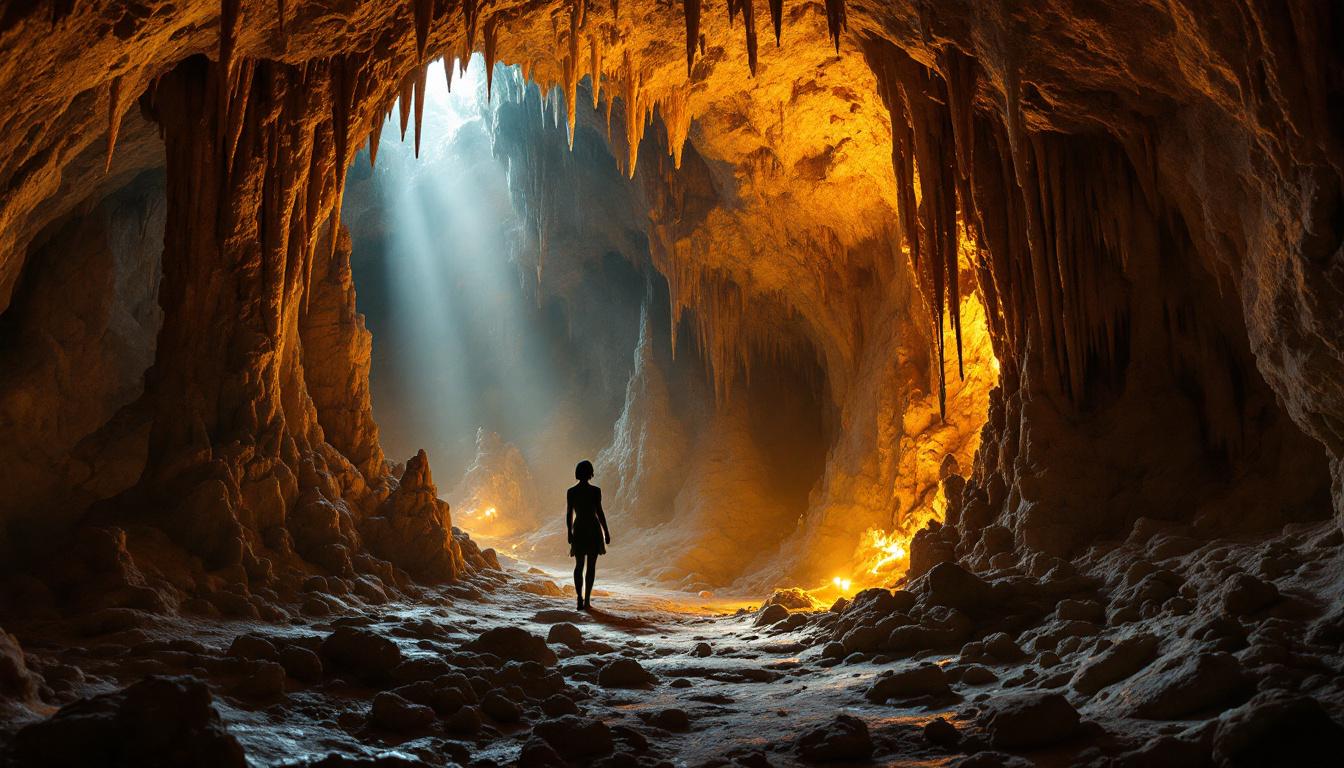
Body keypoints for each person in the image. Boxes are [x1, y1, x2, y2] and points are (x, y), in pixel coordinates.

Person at [566, 460, 610, 610]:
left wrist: (569, 532)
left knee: (579, 565)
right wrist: (606, 531)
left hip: (579, 529)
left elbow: (569, 515)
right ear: (590, 472)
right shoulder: (595, 491)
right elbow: (600, 512)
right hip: (593, 529)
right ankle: (587, 601)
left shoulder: (571, 492)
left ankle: (579, 597)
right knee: (591, 566)